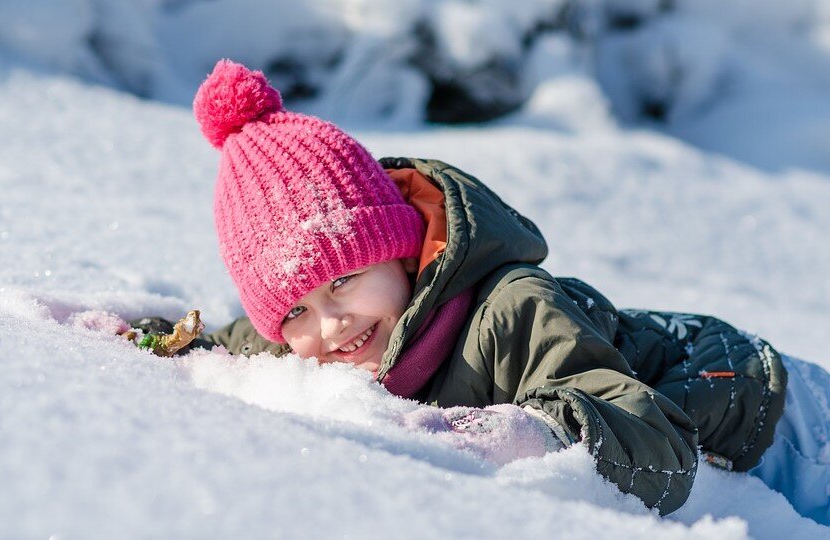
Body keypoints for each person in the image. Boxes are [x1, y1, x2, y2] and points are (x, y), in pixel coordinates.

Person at [133, 59, 828, 522]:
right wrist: (157, 338)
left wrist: (531, 433)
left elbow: (657, 446)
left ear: (403, 255)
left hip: (769, 413)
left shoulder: (513, 309)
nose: (330, 323)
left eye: (344, 279)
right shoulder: (309, 339)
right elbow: (237, 339)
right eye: (297, 309)